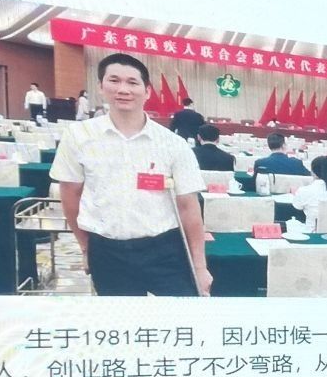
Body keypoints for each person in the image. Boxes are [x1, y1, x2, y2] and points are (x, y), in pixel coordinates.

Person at [50, 52, 211, 297]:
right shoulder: (78, 136)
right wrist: (85, 248)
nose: (123, 89)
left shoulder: (172, 143)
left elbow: (189, 207)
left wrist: (200, 268)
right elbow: (71, 195)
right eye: (114, 80)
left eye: (132, 82)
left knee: (180, 315)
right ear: (101, 86)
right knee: (122, 318)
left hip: (166, 248)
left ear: (147, 91)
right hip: (107, 251)